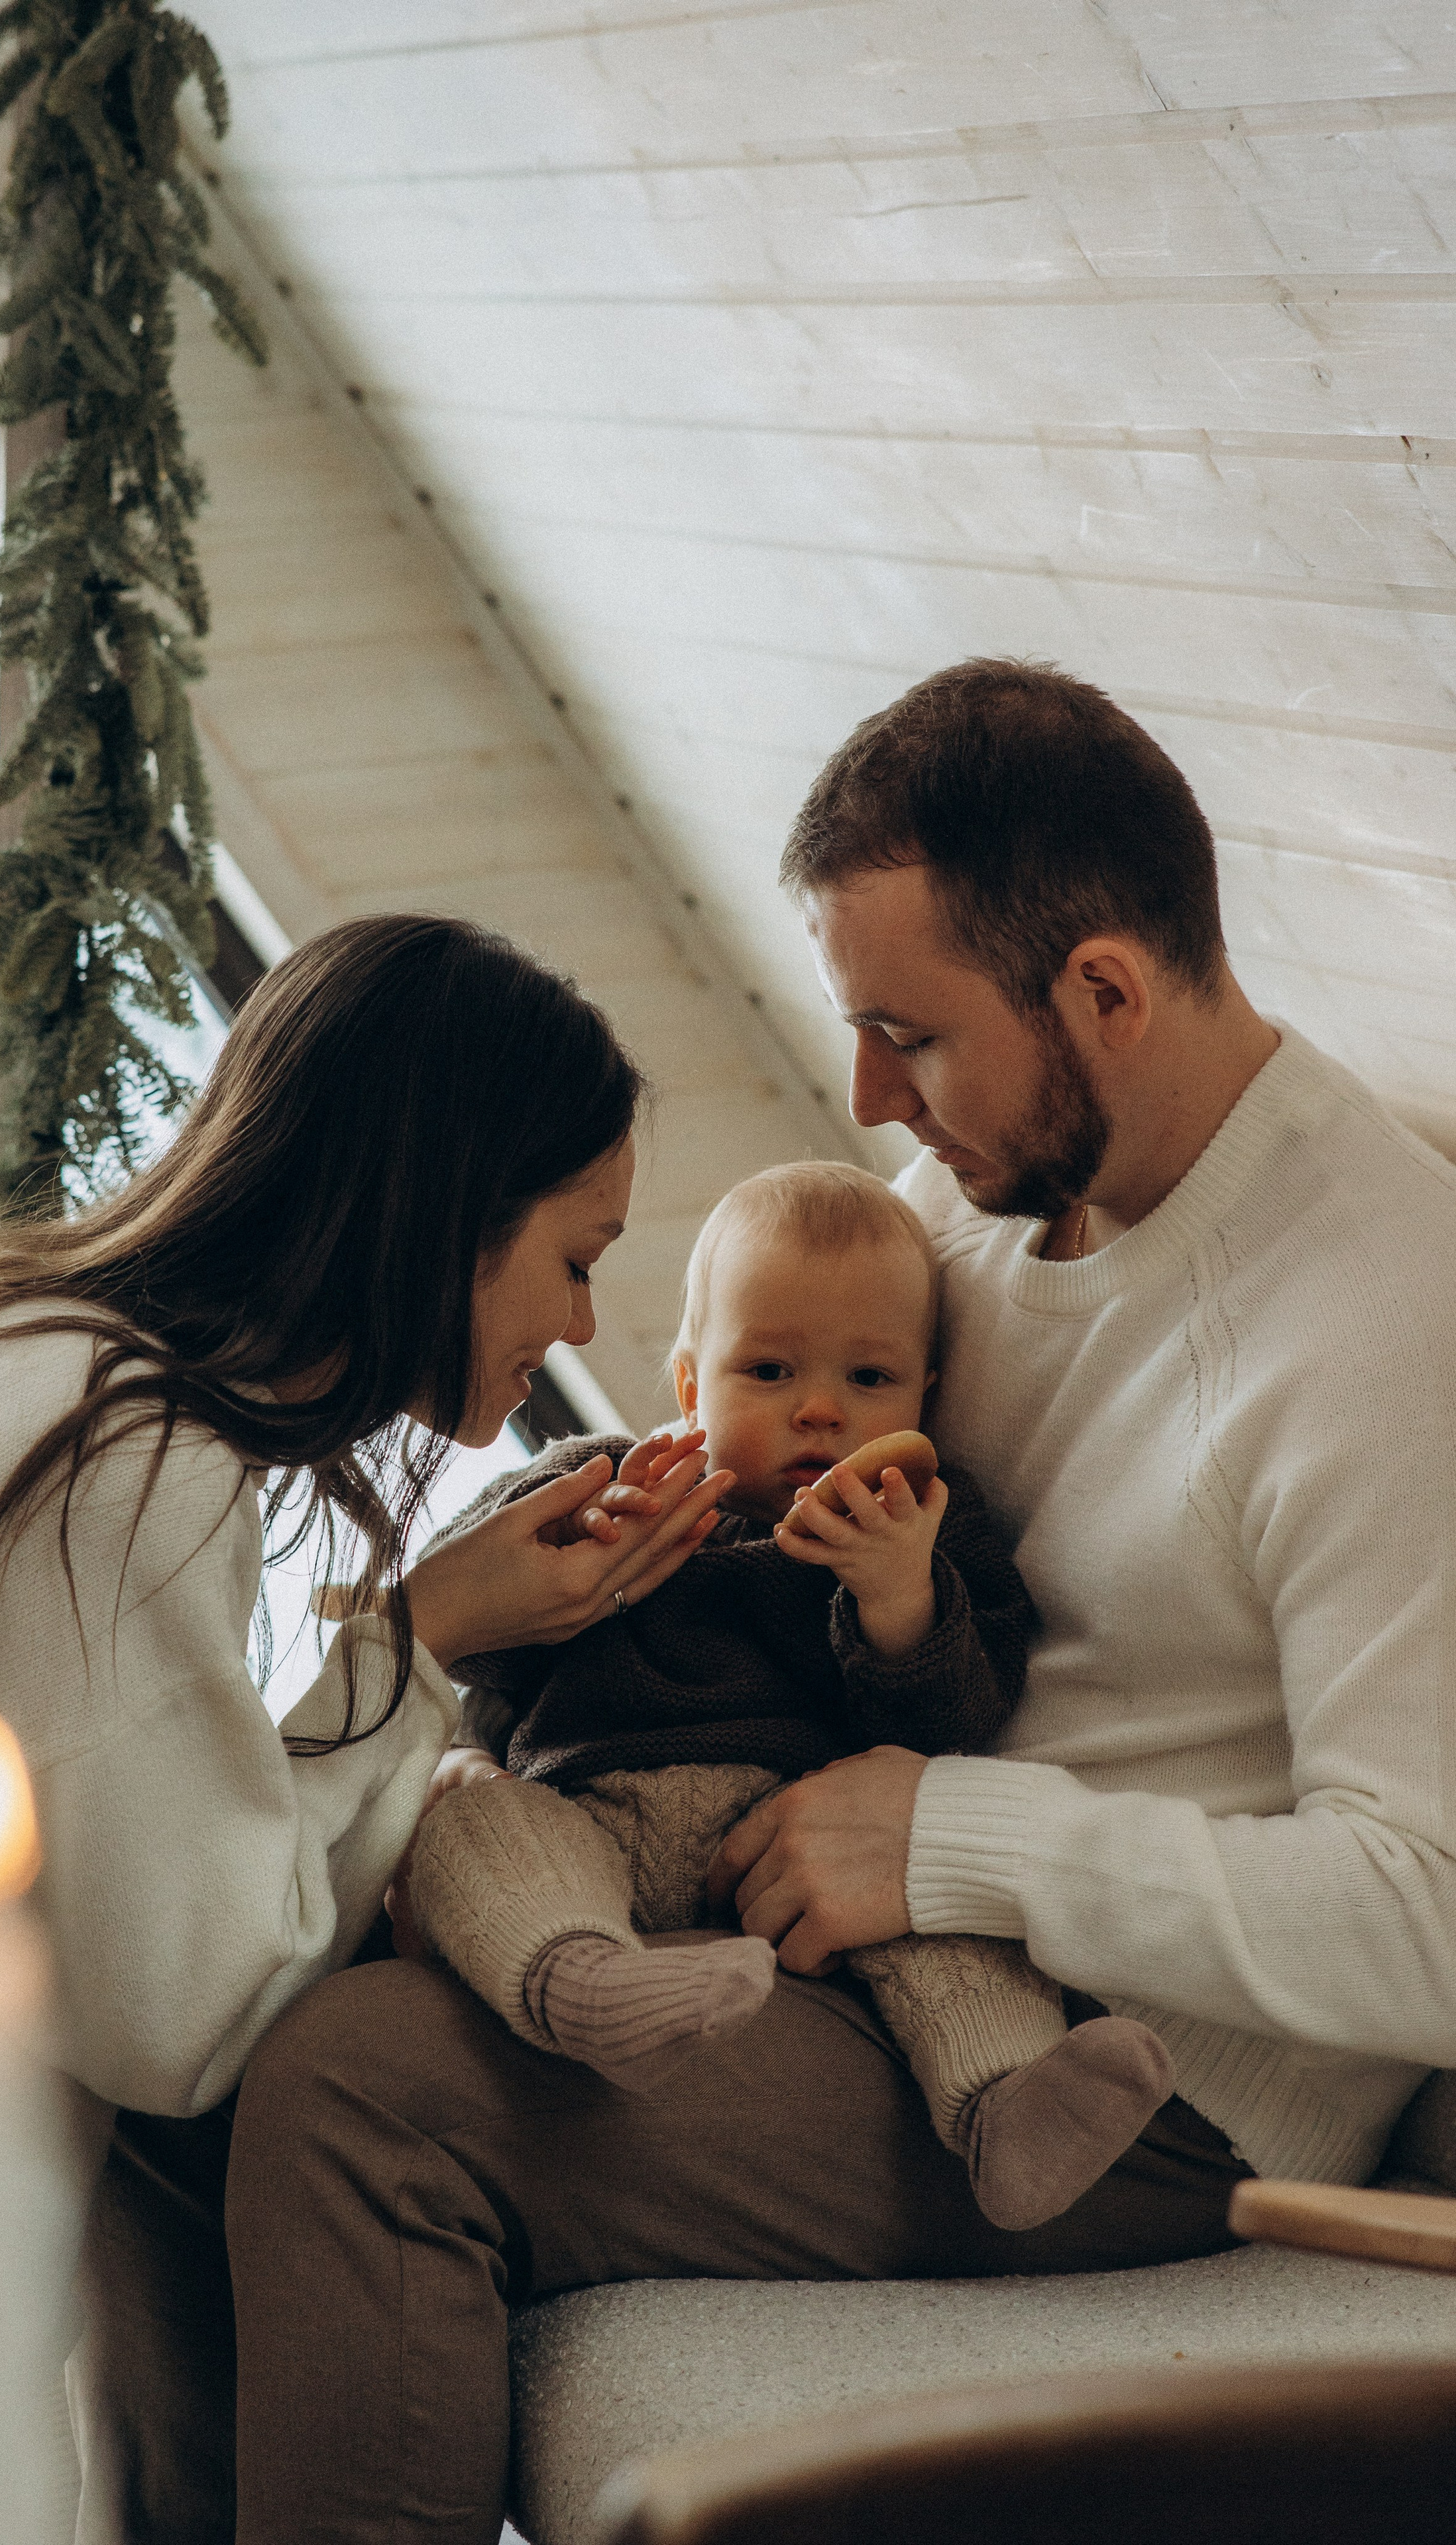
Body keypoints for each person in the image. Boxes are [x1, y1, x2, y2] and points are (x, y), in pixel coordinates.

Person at [222, 660, 1456, 2545]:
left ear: (1106, 993)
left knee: (358, 2097)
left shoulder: (1381, 1318)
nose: (872, 1093)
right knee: (268, 1956)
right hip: (856, 1919)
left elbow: (1429, 1919)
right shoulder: (983, 1195)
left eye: (910, 1036)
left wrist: (957, 1840)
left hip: (1130, 2083)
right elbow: (785, 1414)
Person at [0, 913, 728, 2545]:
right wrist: (425, 1645)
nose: (576, 1326)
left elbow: (119, 1842)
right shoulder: (105, 1462)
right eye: (576, 1255)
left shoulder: (4, 1352)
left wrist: (419, 1627)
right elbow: (190, 2007)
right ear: (439, 1213)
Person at [405, 1159, 1174, 2232]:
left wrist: (899, 1599)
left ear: (926, 1399)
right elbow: (468, 1644)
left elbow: (954, 1730)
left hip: (803, 1869)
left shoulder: (925, 1534)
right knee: (471, 1819)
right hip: (593, 1823)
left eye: (869, 1381)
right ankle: (587, 1986)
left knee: (940, 1909)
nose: (820, 1411)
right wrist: (579, 1542)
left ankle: (1008, 2104)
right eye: (768, 1371)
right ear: (689, 1388)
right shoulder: (607, 1481)